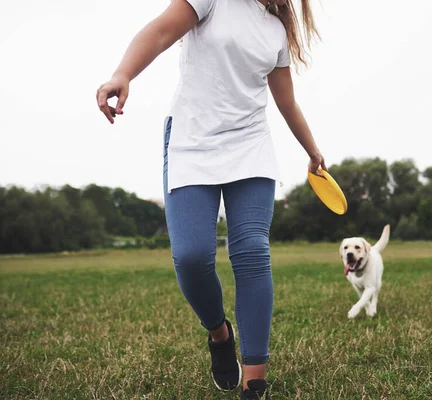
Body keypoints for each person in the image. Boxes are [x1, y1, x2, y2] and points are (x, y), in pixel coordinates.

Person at [96, 0, 324, 398]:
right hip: (192, 139)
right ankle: (220, 335)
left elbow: (286, 102)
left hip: (250, 144)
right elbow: (162, 30)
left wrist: (313, 151)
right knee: (191, 256)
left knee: (252, 251)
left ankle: (255, 383)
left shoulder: (275, 29)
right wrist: (123, 73)